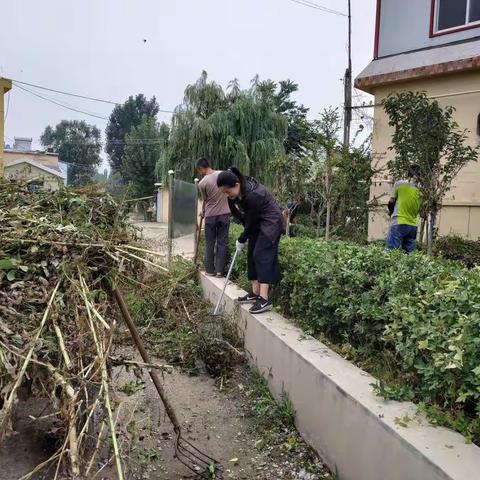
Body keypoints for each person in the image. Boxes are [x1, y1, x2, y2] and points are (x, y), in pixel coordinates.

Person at [217, 167, 284, 314]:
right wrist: (244, 232)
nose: (227, 195)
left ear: (236, 185)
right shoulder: (233, 193)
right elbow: (238, 214)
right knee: (251, 255)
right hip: (257, 222)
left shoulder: (254, 195)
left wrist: (242, 238)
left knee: (261, 255)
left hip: (270, 223)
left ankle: (264, 299)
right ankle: (255, 293)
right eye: (224, 193)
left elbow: (251, 221)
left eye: (228, 192)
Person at [196, 158, 231, 277]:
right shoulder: (223, 175)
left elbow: (206, 200)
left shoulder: (202, 183)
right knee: (222, 242)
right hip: (225, 214)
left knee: (210, 243)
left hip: (211, 216)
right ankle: (220, 271)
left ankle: (210, 271)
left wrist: (203, 211)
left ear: (201, 168)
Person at [386, 164, 421, 254]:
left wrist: (391, 212)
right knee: (409, 255)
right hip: (413, 225)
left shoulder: (399, 184)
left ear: (408, 173)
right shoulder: (421, 189)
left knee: (392, 253)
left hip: (399, 221)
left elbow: (391, 202)